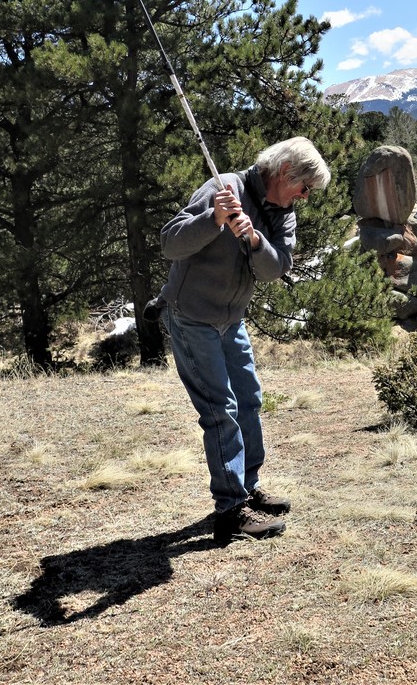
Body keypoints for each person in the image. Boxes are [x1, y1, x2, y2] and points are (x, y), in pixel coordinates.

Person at [158, 137, 331, 544]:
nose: (305, 196)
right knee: (221, 410)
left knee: (249, 401)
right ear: (285, 172)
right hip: (193, 316)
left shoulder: (282, 214)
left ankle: (247, 488)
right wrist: (213, 220)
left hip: (231, 319)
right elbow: (170, 242)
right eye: (304, 187)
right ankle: (230, 511)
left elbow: (275, 269)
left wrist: (254, 240)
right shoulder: (223, 190)